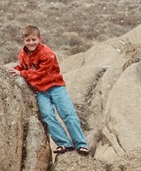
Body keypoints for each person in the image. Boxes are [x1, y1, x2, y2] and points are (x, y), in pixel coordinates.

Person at [8, 25, 89, 156]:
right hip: (41, 90)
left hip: (56, 87)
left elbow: (40, 73)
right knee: (47, 116)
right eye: (28, 40)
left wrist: (22, 73)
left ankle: (81, 144)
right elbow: (24, 66)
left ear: (40, 39)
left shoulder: (47, 54)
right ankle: (64, 143)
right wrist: (16, 69)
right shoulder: (23, 54)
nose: (31, 43)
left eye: (34, 39)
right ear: (23, 41)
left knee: (68, 114)